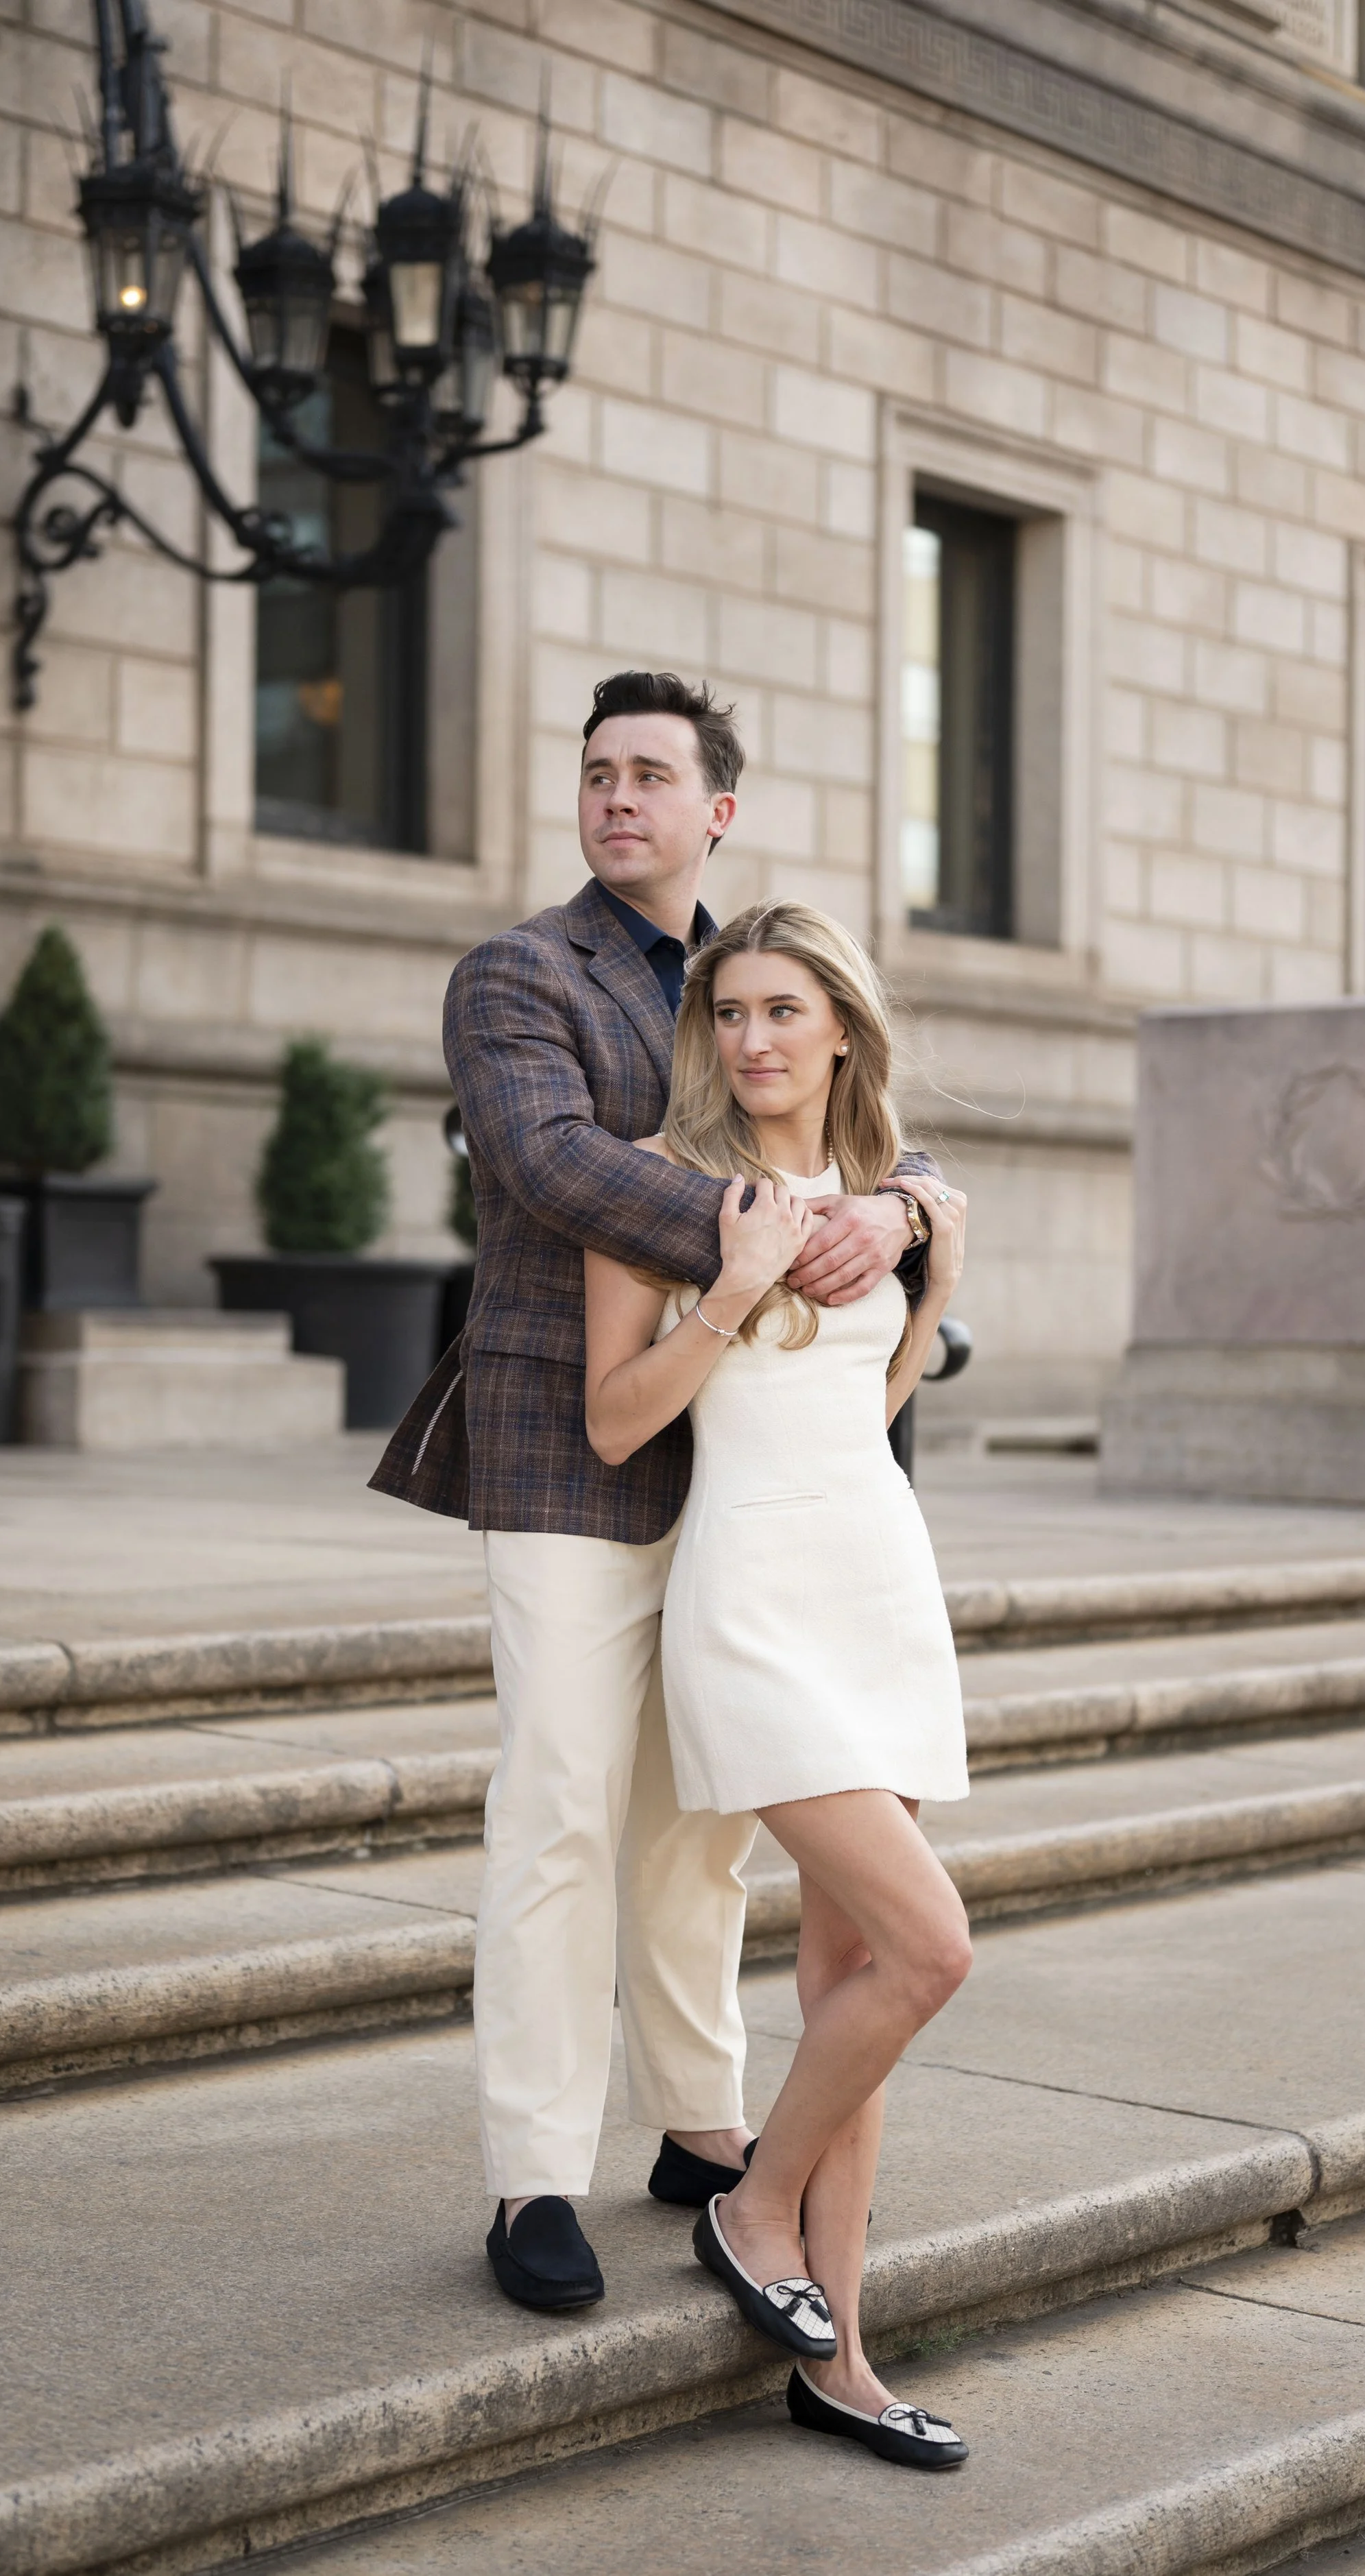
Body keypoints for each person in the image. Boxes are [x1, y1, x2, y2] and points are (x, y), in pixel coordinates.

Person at [371, 671, 937, 2313]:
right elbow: (545, 1164)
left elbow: (862, 1118)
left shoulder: (751, 976)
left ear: (716, 811)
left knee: (698, 1831)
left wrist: (899, 1207)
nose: (616, 797)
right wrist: (781, 1233)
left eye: (649, 776)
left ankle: (701, 2127)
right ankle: (531, 2173)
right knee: (554, 1809)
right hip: (568, 1441)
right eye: (595, 773)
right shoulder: (516, 976)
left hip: (743, 1472)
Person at [582, 897, 973, 2471]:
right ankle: (749, 2215)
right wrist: (734, 1288)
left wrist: (912, 1215)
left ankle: (845, 2365)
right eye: (728, 1011)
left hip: (876, 1583)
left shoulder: (894, 1198)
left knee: (849, 1990)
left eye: (780, 1013)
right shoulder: (662, 1192)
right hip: (747, 1600)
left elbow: (887, 1381)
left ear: (837, 1032)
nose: (749, 1039)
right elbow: (618, 1422)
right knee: (932, 1949)